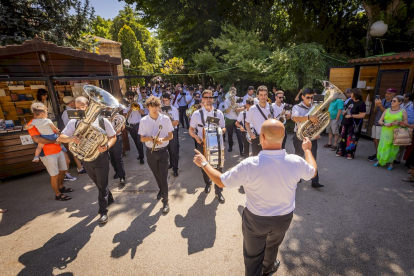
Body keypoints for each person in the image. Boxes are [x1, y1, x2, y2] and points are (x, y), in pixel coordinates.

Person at [193, 119, 317, 276]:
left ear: (262, 138)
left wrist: (204, 164)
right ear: (283, 137)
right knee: (272, 246)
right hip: (283, 219)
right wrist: (307, 150)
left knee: (253, 257)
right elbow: (312, 171)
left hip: (256, 220)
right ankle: (268, 267)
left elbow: (221, 181)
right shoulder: (296, 161)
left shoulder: (250, 164)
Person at [58, 96, 117, 224]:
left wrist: (107, 146)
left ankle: (103, 212)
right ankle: (109, 198)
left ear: (88, 106)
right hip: (86, 158)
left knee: (102, 184)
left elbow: (113, 136)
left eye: (82, 107)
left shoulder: (101, 120)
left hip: (101, 157)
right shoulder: (73, 122)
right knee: (98, 182)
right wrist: (70, 138)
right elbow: (61, 137)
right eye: (77, 108)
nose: (80, 110)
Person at [27, 103, 73, 202]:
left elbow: (56, 131)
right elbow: (37, 139)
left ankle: (61, 187)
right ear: (40, 112)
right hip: (47, 153)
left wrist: (61, 138)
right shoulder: (33, 123)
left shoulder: (45, 120)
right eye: (45, 110)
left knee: (62, 170)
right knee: (54, 175)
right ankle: (58, 194)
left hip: (58, 149)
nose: (47, 111)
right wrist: (55, 141)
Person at [189, 89, 227, 203]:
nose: (208, 99)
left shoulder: (218, 113)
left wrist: (219, 131)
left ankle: (218, 191)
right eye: (206, 97)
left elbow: (224, 128)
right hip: (202, 144)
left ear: (213, 99)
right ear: (202, 99)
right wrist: (196, 137)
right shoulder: (196, 114)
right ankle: (207, 183)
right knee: (204, 166)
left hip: (216, 144)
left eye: (210, 97)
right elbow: (191, 129)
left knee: (218, 167)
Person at [139, 96, 174, 213]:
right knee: (157, 175)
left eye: (156, 106)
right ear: (148, 107)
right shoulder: (143, 121)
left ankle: (166, 201)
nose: (154, 109)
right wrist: (150, 138)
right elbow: (142, 139)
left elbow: (171, 136)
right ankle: (162, 190)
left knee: (163, 177)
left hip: (163, 151)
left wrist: (161, 139)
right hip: (151, 152)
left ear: (159, 106)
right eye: (152, 106)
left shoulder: (165, 119)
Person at [291, 88, 323, 188]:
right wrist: (309, 117)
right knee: (299, 157)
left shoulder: (315, 107)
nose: (310, 99)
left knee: (313, 158)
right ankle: (297, 177)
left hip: (312, 137)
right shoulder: (297, 107)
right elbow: (295, 118)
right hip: (299, 136)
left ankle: (315, 181)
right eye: (307, 97)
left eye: (311, 97)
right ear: (302, 97)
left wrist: (317, 132)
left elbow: (319, 122)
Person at [374, 95, 407, 170]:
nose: (392, 102)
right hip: (385, 130)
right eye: (392, 100)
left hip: (395, 131)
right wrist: (385, 124)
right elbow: (380, 121)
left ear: (400, 102)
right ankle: (380, 160)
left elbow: (406, 123)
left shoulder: (403, 111)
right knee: (383, 145)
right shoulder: (387, 110)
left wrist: (398, 123)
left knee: (393, 147)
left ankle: (391, 163)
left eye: (394, 101)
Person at [336, 89, 366, 159]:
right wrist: (344, 112)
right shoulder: (350, 101)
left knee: (351, 138)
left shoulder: (361, 103)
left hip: (353, 124)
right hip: (345, 122)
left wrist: (351, 115)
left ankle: (350, 153)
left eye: (352, 93)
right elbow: (346, 109)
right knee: (342, 137)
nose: (351, 94)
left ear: (356, 94)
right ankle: (341, 151)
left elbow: (362, 115)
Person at [369, 88, 397, 161]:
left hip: (383, 124)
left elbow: (387, 113)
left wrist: (380, 105)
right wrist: (376, 105)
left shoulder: (393, 102)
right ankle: (377, 154)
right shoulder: (382, 100)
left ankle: (381, 156)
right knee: (375, 139)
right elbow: (375, 110)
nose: (387, 95)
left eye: (389, 93)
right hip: (376, 122)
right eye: (386, 93)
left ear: (394, 94)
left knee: (380, 140)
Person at [245, 86, 274, 156]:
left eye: (265, 95)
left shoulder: (271, 107)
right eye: (261, 95)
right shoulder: (252, 109)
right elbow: (247, 123)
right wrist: (250, 133)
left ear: (267, 95)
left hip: (270, 139)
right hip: (257, 139)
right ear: (257, 96)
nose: (263, 97)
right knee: (257, 161)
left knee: (269, 161)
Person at [124, 91, 145, 164]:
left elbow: (143, 113)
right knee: (136, 142)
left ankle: (142, 158)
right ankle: (140, 154)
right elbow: (125, 117)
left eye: (131, 98)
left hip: (138, 125)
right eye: (128, 98)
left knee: (139, 142)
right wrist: (129, 111)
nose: (130, 100)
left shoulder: (138, 104)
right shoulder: (126, 106)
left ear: (133, 98)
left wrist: (137, 107)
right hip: (131, 126)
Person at [162, 93, 180, 177]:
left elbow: (176, 122)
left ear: (170, 100)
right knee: (167, 149)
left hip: (173, 131)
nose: (165, 102)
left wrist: (167, 122)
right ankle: (171, 164)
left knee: (174, 150)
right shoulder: (160, 110)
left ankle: (175, 168)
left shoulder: (174, 109)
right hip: (164, 132)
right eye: (164, 100)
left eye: (167, 100)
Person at [223, 88, 244, 154]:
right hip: (229, 119)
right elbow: (227, 111)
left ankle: (241, 150)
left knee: (239, 135)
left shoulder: (238, 99)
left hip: (237, 119)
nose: (233, 93)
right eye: (231, 92)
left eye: (234, 92)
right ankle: (230, 146)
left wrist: (238, 109)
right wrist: (231, 104)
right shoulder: (226, 101)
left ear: (236, 92)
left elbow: (243, 108)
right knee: (230, 134)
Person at [107, 109, 126, 184]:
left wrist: (115, 132)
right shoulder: (103, 114)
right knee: (111, 157)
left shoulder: (118, 116)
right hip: (107, 139)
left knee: (118, 157)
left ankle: (122, 176)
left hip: (116, 138)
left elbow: (123, 127)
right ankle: (117, 171)